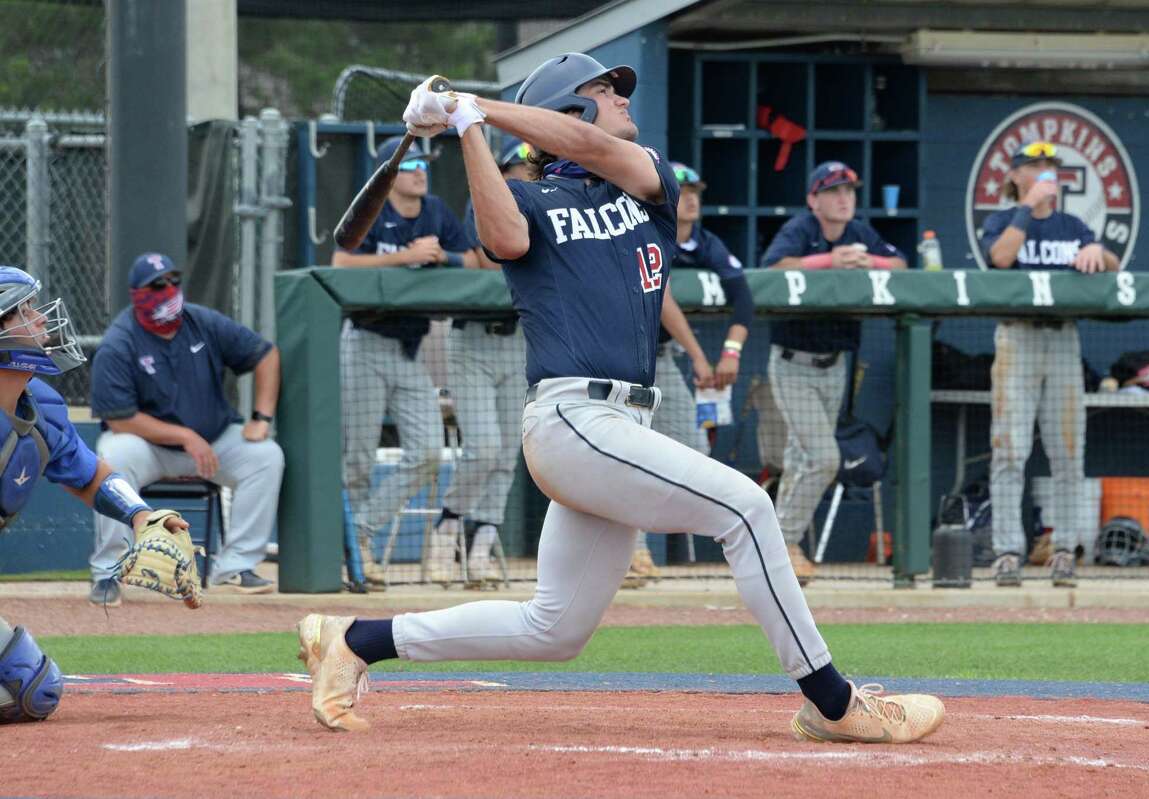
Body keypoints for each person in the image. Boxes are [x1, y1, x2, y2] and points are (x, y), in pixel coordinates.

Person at [296, 53, 944, 744]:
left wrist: (469, 105)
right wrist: (467, 129)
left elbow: (591, 146)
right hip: (572, 416)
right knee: (748, 509)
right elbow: (502, 237)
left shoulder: (643, 182)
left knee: (555, 627)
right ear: (568, 106)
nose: (622, 99)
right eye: (604, 90)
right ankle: (833, 700)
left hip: (621, 422)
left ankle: (354, 639)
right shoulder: (530, 200)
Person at [0, 266, 190, 723]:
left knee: (31, 688)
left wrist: (142, 515)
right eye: (23, 311)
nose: (41, 320)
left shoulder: (41, 405)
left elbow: (89, 474)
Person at [89, 253, 284, 603]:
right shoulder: (120, 341)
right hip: (151, 448)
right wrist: (184, 436)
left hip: (212, 442)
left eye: (173, 281)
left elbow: (265, 355)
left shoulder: (202, 321)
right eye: (157, 285)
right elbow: (120, 418)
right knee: (111, 457)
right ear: (137, 293)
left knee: (266, 456)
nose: (169, 290)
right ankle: (108, 572)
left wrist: (261, 417)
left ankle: (235, 566)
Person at [334, 138, 478, 589]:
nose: (421, 171)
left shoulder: (435, 210)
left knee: (430, 452)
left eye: (425, 164)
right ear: (390, 174)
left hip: (409, 350)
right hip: (365, 342)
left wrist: (444, 257)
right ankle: (358, 561)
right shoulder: (373, 209)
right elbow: (340, 262)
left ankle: (360, 531)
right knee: (357, 458)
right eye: (411, 164)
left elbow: (475, 259)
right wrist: (407, 257)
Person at [981, 140, 1118, 588]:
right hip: (1016, 338)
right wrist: (1027, 207)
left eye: (1050, 167)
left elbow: (1112, 263)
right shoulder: (1003, 220)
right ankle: (1006, 552)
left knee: (1067, 452)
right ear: (1016, 175)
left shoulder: (1073, 225)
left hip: (1062, 338)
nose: (1045, 174)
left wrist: (1100, 253)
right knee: (1009, 450)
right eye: (1035, 166)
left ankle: (1065, 550)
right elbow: (1000, 258)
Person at [761, 162, 906, 582]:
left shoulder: (860, 233)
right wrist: (827, 261)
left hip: (836, 364)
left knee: (799, 459)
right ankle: (781, 544)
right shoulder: (800, 229)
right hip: (793, 362)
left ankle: (776, 553)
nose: (844, 197)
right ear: (814, 199)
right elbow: (770, 271)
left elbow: (901, 265)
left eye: (849, 190)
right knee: (825, 458)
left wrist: (870, 262)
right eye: (834, 190)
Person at [625, 161, 755, 586]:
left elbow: (743, 298)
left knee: (694, 446)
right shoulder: (639, 225)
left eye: (696, 190)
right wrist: (700, 357)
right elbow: (661, 294)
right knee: (628, 455)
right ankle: (634, 550)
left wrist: (731, 352)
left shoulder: (704, 240)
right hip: (620, 358)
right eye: (683, 189)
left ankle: (645, 542)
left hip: (661, 358)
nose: (692, 197)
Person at [432, 138, 534, 587]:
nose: (528, 175)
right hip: (472, 340)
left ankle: (482, 546)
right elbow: (495, 261)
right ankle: (447, 527)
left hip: (518, 341)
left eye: (534, 169)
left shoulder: (548, 206)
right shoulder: (485, 201)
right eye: (519, 168)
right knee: (484, 447)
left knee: (509, 452)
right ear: (503, 172)